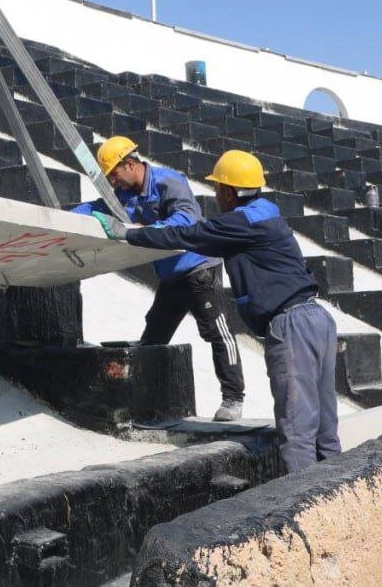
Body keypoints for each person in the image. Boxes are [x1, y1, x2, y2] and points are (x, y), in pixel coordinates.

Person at [93, 149, 340, 473]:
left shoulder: (241, 221)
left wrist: (129, 233)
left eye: (217, 189)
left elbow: (187, 233)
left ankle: (308, 514)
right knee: (325, 433)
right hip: (317, 318)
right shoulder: (265, 213)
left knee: (296, 434)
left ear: (226, 191)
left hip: (292, 324)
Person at [73, 136, 245, 421]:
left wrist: (141, 229)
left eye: (114, 175)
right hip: (171, 276)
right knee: (154, 335)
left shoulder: (169, 182)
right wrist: (65, 215)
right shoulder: (126, 194)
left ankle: (233, 399)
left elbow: (185, 221)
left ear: (129, 164)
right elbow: (98, 207)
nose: (113, 182)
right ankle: (145, 403)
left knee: (218, 333)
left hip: (198, 268)